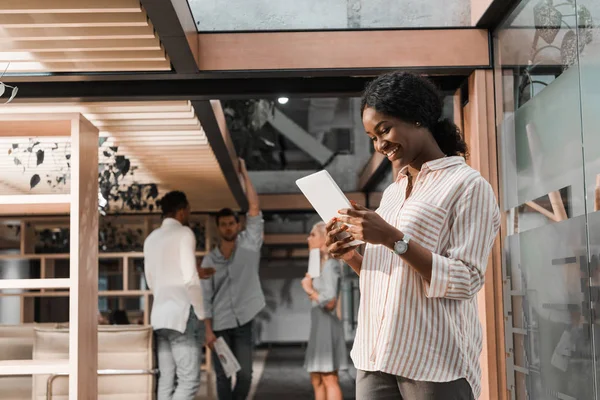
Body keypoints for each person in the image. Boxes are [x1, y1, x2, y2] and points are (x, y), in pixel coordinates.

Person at [325, 72, 500, 400]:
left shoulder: (467, 185)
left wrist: (393, 239)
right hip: (375, 355)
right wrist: (350, 254)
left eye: (384, 129)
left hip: (433, 360)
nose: (379, 145)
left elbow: (466, 279)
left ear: (418, 117)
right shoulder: (393, 193)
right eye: (372, 137)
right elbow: (391, 278)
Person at [201, 159, 265, 400]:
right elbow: (205, 298)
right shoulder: (210, 261)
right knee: (223, 375)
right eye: (223, 225)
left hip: (244, 320)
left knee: (246, 374)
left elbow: (255, 207)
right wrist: (207, 330)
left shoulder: (250, 245)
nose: (228, 227)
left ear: (238, 225)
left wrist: (244, 173)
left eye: (231, 223)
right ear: (219, 228)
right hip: (219, 324)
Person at [144, 190, 213, 400]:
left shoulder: (151, 238)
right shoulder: (184, 233)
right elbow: (190, 279)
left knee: (166, 379)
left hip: (159, 317)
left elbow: (151, 280)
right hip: (183, 315)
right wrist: (202, 314)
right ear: (182, 211)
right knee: (189, 381)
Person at [301, 222, 348, 400]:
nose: (308, 238)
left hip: (327, 327)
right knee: (317, 378)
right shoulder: (320, 264)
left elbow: (330, 302)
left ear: (323, 238)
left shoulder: (331, 265)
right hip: (319, 326)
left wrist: (309, 290)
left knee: (329, 377)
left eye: (312, 235)